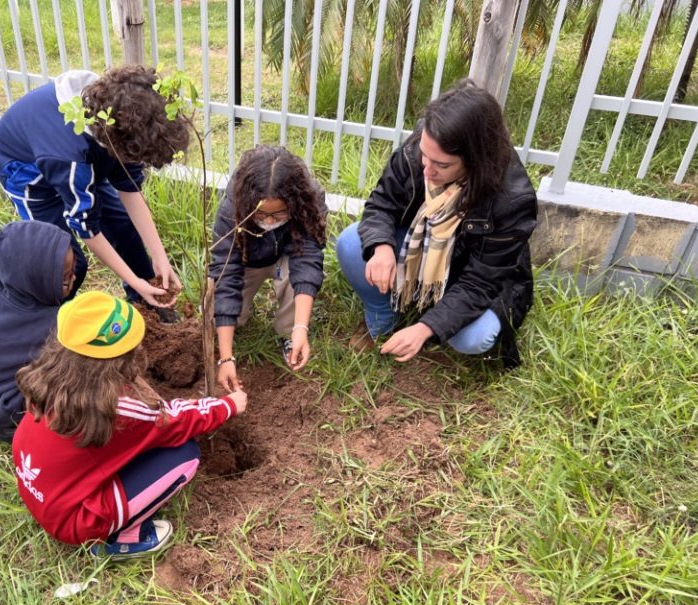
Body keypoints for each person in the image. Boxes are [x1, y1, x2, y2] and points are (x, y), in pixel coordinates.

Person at [12, 291, 248, 559]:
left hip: (38, 486)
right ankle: (117, 540)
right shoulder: (116, 409)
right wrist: (228, 405)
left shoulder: (50, 377)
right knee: (185, 456)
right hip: (74, 520)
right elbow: (172, 421)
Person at [336, 79, 538, 368]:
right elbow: (382, 203)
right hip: (424, 249)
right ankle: (383, 311)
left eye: (442, 165)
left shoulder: (512, 200)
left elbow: (480, 283)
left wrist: (425, 328)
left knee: (472, 337)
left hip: (470, 270)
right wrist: (381, 247)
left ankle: (431, 315)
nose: (426, 171)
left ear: (476, 160)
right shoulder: (423, 147)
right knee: (351, 243)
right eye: (424, 156)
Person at [0, 65, 190, 319]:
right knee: (63, 263)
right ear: (118, 145)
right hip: (28, 173)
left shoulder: (115, 115)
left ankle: (145, 302)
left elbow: (129, 188)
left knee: (123, 226)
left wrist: (159, 257)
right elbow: (87, 228)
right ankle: (49, 323)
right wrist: (132, 278)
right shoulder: (72, 159)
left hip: (80, 155)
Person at [208, 145, 327, 392]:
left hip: (286, 257)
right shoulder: (232, 208)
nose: (270, 221)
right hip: (246, 261)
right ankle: (229, 327)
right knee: (218, 311)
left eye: (280, 213)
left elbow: (306, 261)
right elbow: (226, 272)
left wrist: (301, 327)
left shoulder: (309, 200)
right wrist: (226, 357)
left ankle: (290, 334)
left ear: (294, 203)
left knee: (296, 281)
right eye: (261, 215)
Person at [0, 221, 78, 441]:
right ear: (37, 279)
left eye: (72, 270)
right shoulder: (45, 324)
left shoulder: (12, 275)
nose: (74, 279)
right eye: (65, 278)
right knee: (80, 375)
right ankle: (20, 428)